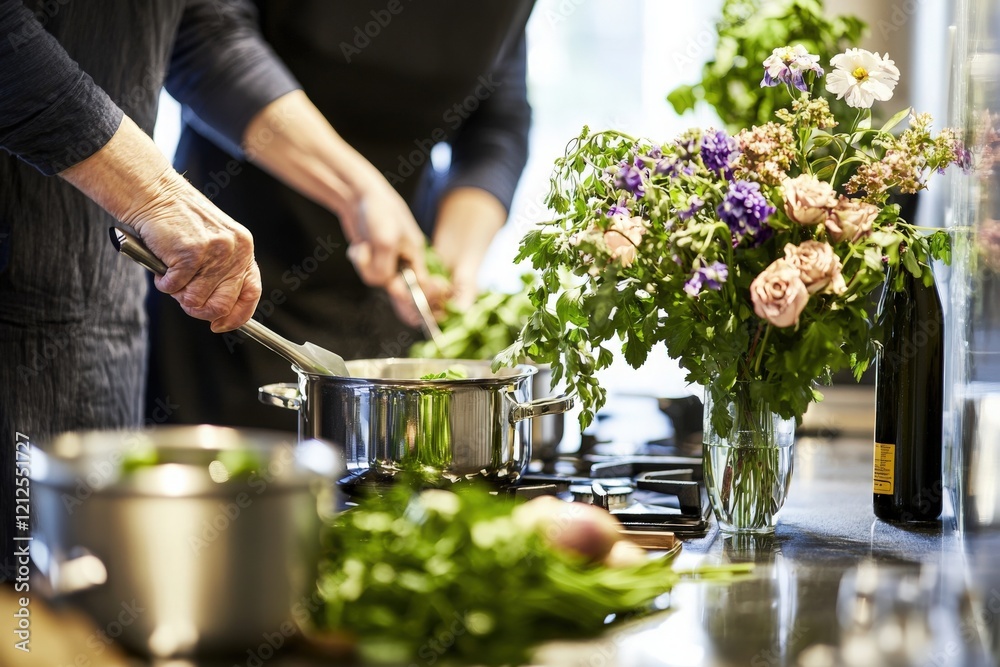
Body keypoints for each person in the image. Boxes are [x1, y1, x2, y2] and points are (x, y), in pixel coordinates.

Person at [0, 0, 429, 581]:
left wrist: (357, 190)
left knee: (80, 607)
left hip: (97, 313)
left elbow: (204, 31)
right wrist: (154, 193)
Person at [147, 0, 536, 431]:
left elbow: (497, 123)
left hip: (394, 286)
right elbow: (203, 37)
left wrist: (455, 260)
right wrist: (358, 193)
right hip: (229, 281)